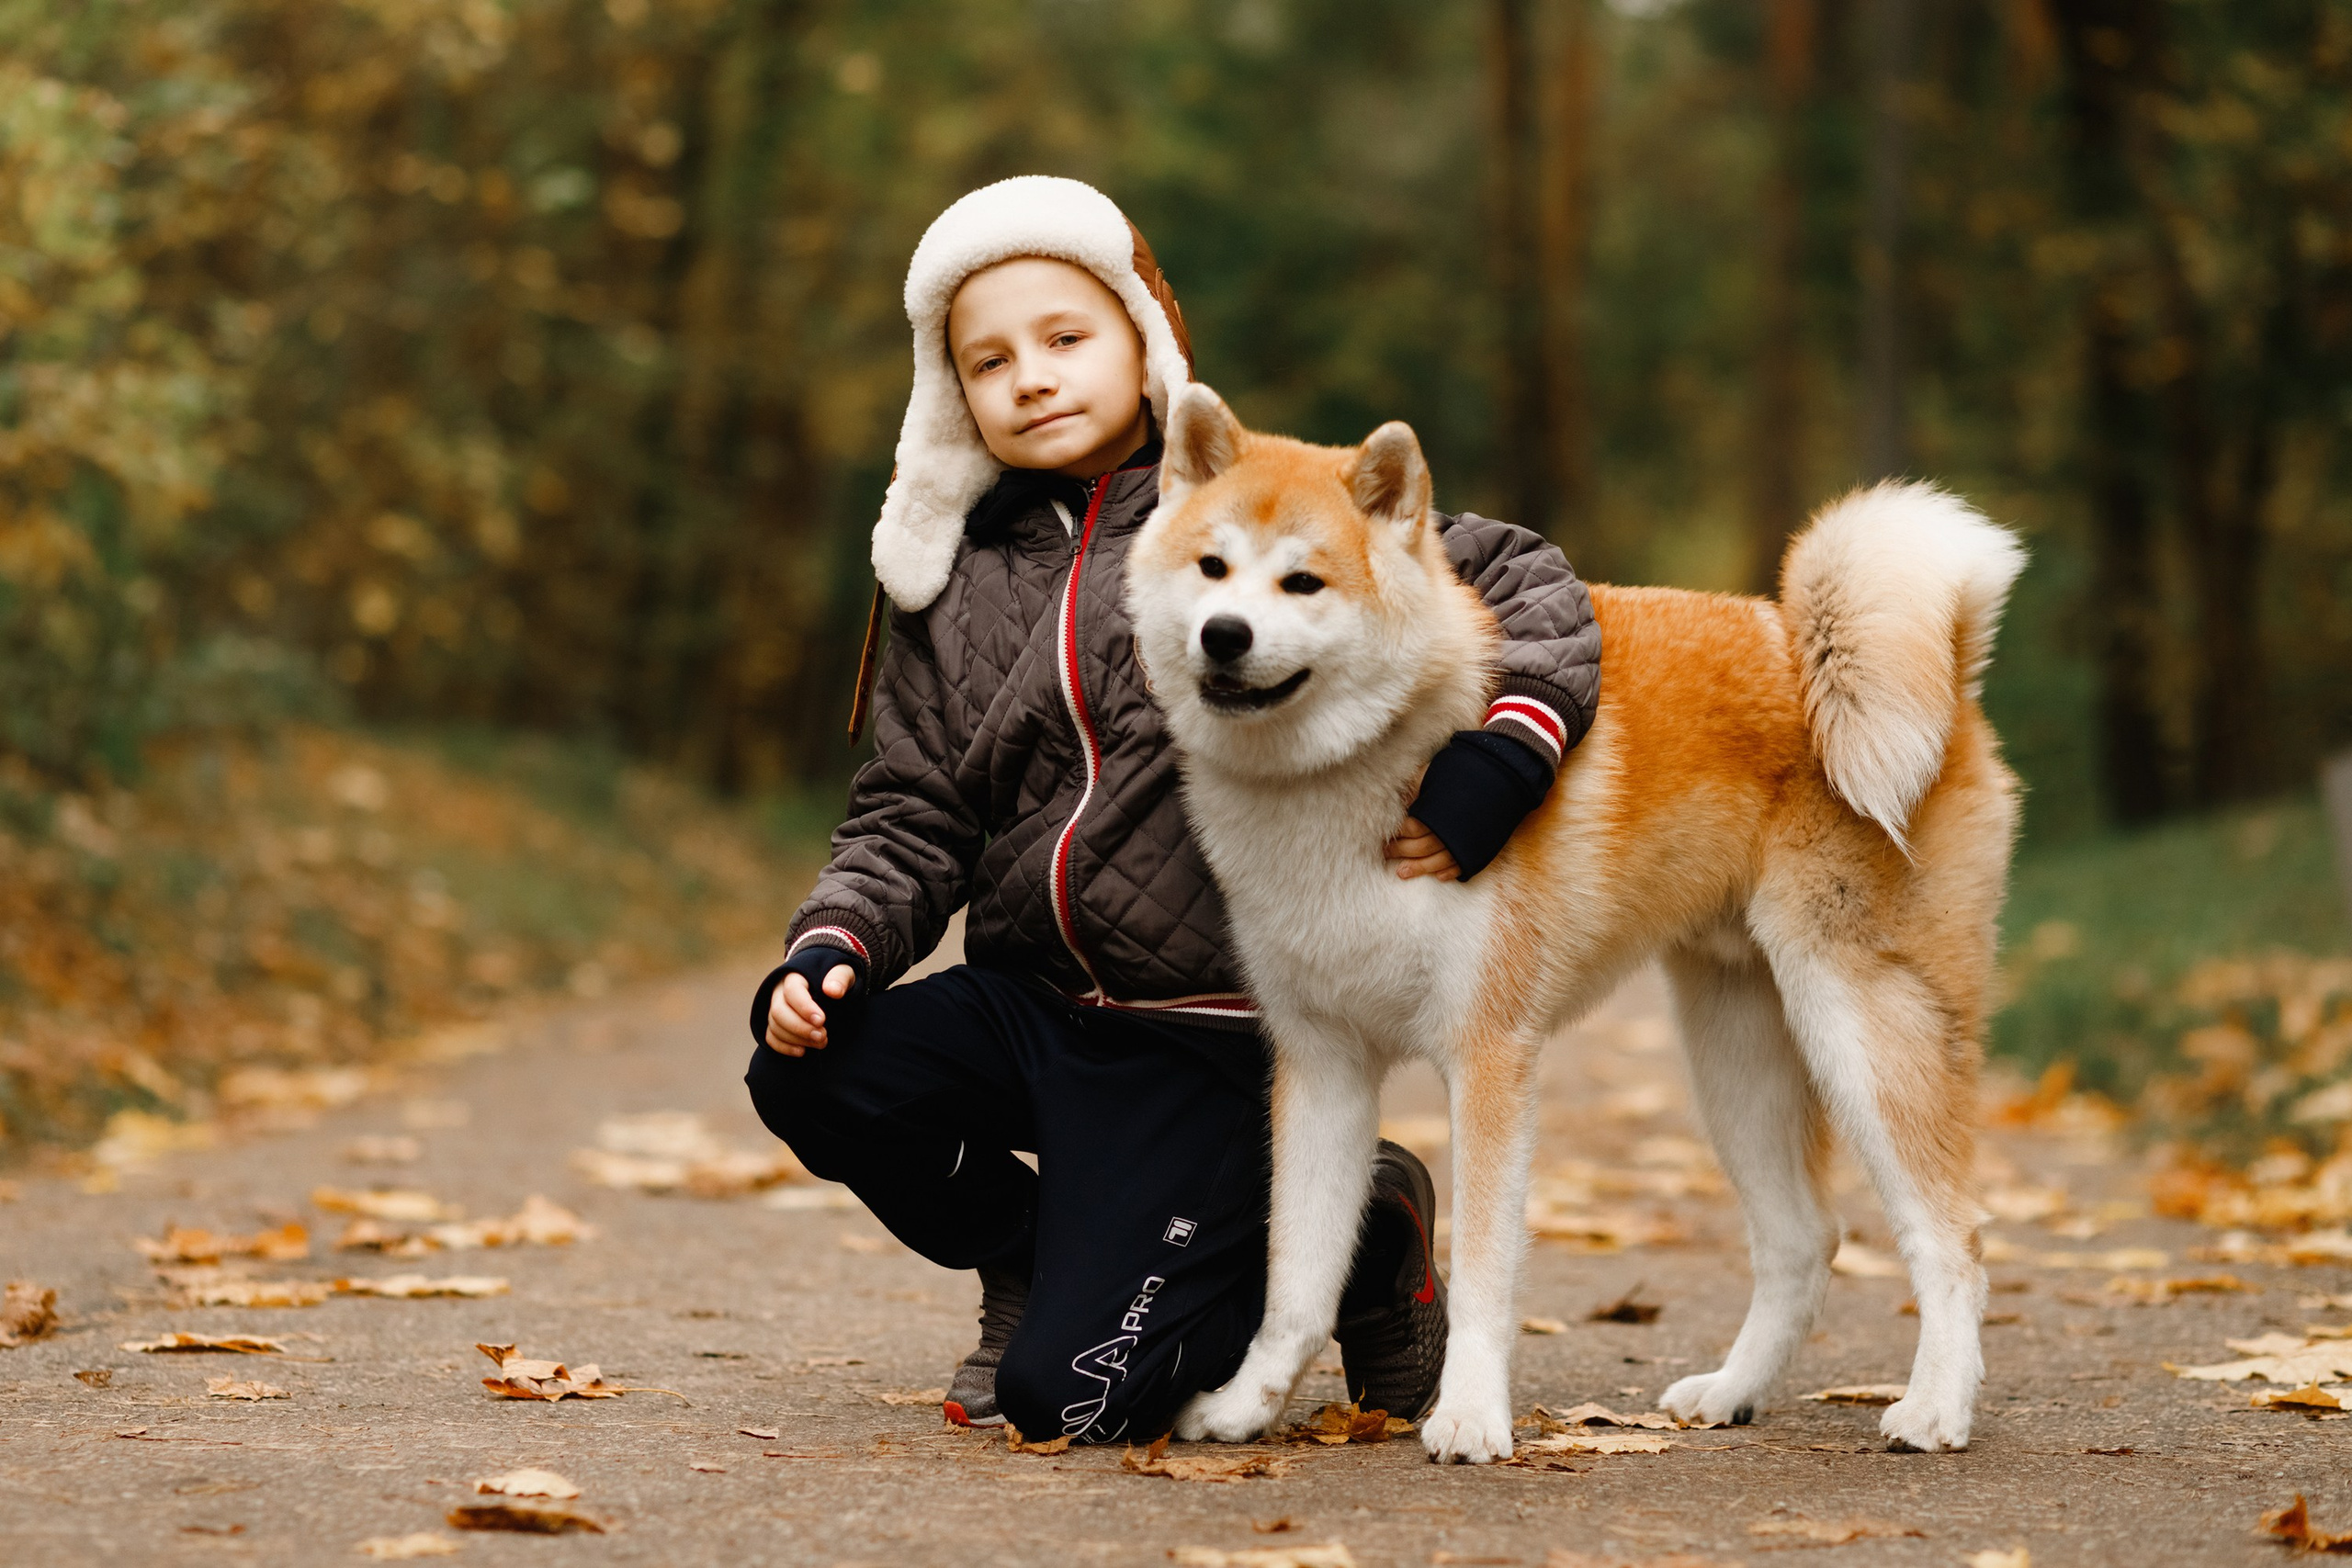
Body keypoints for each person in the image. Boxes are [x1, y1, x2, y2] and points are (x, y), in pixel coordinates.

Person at [745, 175, 1600, 1445]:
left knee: (1071, 1399)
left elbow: (1522, 575)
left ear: (1144, 336)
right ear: (952, 392)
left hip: (1203, 1039)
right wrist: (835, 947)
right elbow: (910, 812)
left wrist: (1507, 758)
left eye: (1064, 337)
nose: (1031, 376)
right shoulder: (950, 583)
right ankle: (1033, 1256)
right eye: (989, 360)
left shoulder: (1252, 502)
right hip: (1034, 1005)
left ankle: (1362, 1236)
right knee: (805, 1073)